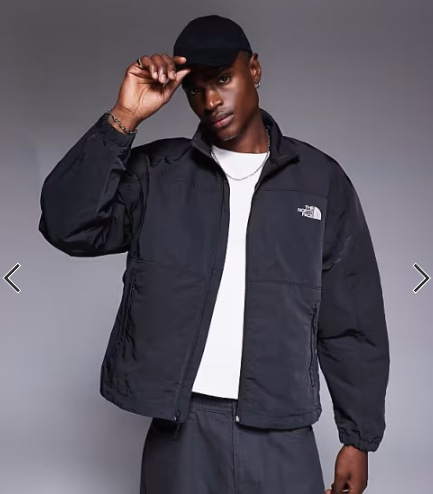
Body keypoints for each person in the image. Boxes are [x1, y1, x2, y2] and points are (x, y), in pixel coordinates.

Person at [38, 14, 390, 494]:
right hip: (181, 431)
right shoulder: (158, 174)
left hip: (282, 431)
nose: (209, 101)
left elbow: (353, 317)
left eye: (223, 79)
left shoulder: (319, 181)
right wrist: (124, 117)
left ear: (255, 69)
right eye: (195, 89)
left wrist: (357, 438)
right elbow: (66, 225)